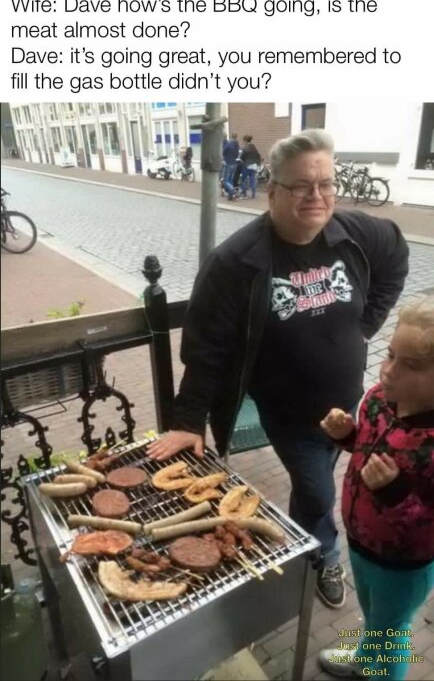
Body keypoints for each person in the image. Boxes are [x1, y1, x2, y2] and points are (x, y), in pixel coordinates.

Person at [147, 129, 409, 608]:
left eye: (326, 184)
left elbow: (395, 253)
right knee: (315, 490)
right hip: (291, 414)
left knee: (329, 483)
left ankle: (320, 543)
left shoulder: (354, 233)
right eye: (301, 186)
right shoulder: (235, 262)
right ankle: (325, 555)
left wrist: (366, 324)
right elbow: (205, 348)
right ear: (271, 191)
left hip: (348, 402)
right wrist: (188, 421)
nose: (317, 196)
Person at [319, 298, 434, 679]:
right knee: (374, 615)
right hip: (360, 538)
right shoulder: (377, 402)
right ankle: (367, 657)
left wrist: (396, 493)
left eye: (411, 365)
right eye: (390, 355)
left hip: (404, 563)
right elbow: (367, 449)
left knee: (393, 628)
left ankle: (381, 669)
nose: (387, 371)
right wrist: (347, 435)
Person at [222, 133, 240, 200]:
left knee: (226, 181)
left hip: (228, 163)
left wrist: (224, 159)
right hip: (234, 163)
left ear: (231, 136)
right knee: (230, 180)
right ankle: (230, 197)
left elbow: (223, 152)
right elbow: (237, 154)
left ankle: (232, 190)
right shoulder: (237, 145)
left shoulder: (229, 144)